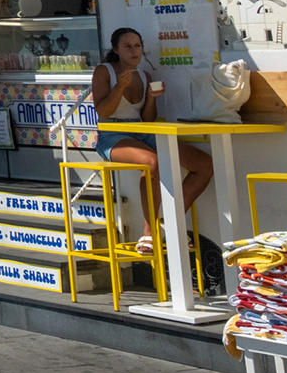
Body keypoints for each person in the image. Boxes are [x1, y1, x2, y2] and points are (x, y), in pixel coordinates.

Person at [90, 27, 212, 253]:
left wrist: (152, 98)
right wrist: (119, 88)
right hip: (112, 134)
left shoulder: (145, 76)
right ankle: (149, 232)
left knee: (205, 165)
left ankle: (172, 219)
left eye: (137, 46)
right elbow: (104, 113)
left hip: (142, 130)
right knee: (151, 162)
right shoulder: (104, 71)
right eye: (127, 46)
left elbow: (148, 118)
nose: (134, 51)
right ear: (116, 50)